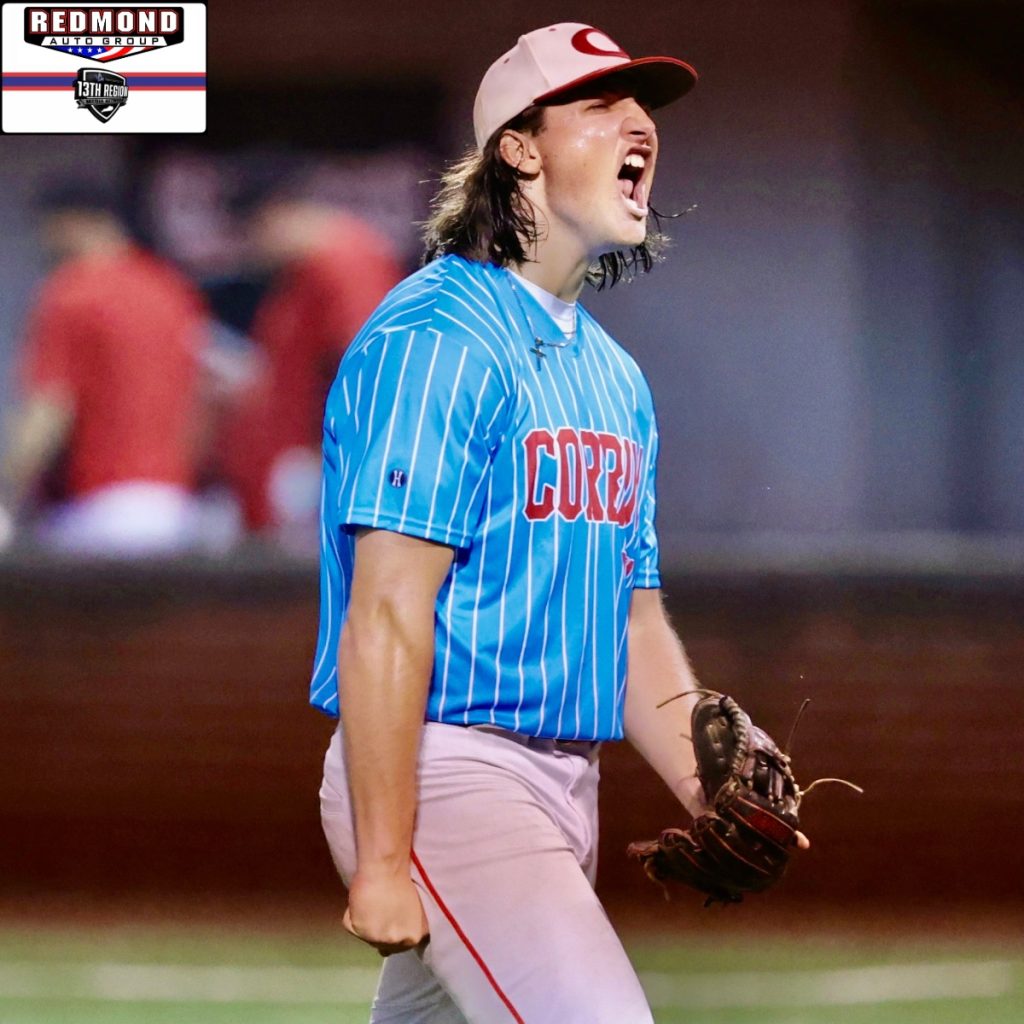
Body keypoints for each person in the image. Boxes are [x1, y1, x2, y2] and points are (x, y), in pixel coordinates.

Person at [312, 22, 806, 1023]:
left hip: (562, 787)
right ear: (519, 150)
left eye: (644, 108)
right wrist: (384, 858)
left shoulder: (612, 376)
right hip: (446, 772)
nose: (640, 126)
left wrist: (706, 782)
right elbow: (386, 612)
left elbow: (629, 621)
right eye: (601, 104)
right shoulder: (436, 338)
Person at [0, 182, 208, 557]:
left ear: (72, 224)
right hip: (174, 505)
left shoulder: (73, 291)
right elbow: (200, 404)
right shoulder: (171, 289)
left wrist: (6, 491)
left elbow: (49, 408)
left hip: (99, 506)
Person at [222, 173, 403, 545]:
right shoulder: (303, 274)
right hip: (290, 480)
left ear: (273, 215)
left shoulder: (347, 262)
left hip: (316, 478)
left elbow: (373, 368)